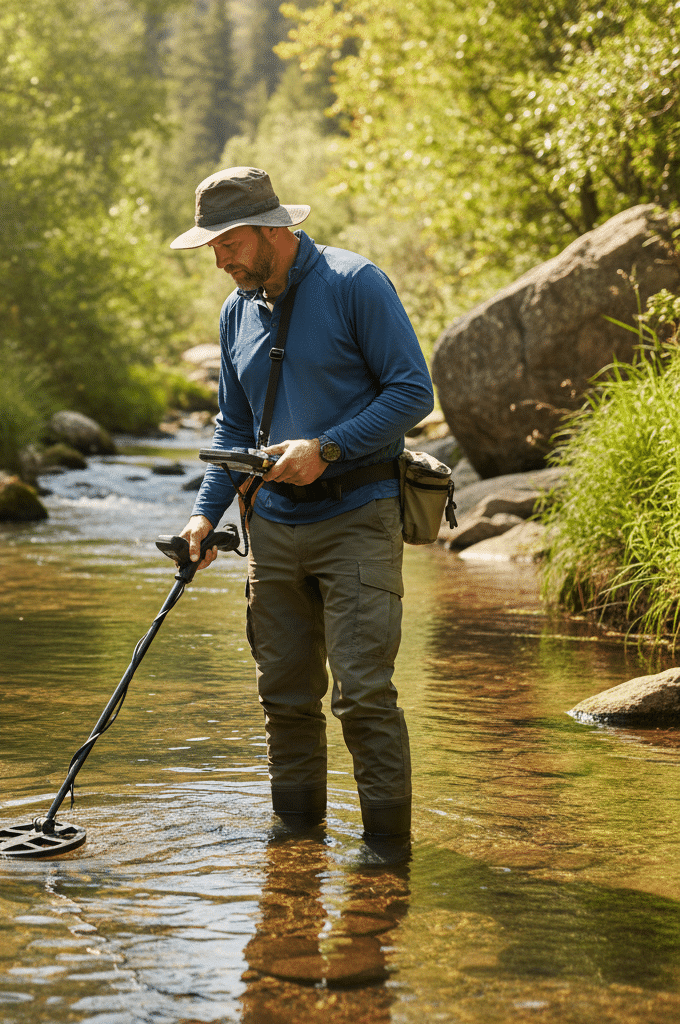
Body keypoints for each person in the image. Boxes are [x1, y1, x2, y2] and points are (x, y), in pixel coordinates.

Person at [171, 167, 433, 839]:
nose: (218, 259)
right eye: (211, 247)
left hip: (358, 520)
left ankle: (385, 864)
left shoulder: (355, 284)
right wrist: (205, 514)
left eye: (225, 243)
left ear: (269, 229)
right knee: (284, 700)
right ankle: (294, 849)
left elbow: (411, 394)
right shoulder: (236, 312)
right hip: (273, 532)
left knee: (363, 696)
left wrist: (327, 448)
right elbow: (233, 427)